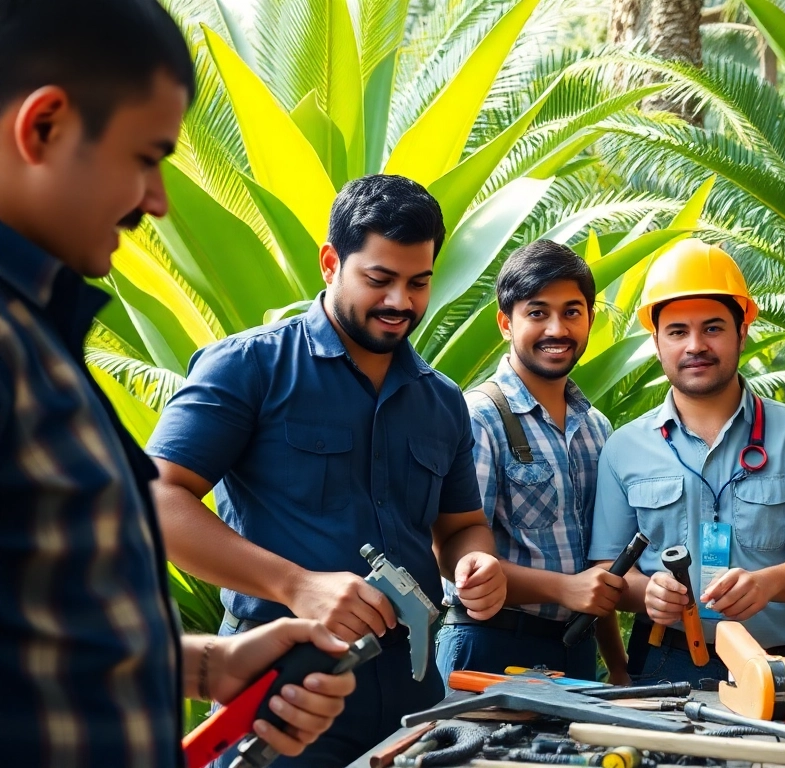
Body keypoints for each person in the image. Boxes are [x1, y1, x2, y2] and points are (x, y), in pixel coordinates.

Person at [0, 1, 355, 765]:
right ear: (44, 128)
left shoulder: (36, 336)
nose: (157, 201)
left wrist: (205, 667)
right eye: (146, 156)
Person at [147, 174, 508, 766]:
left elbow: (461, 525)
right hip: (286, 690)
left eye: (419, 283)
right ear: (329, 262)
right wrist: (297, 586)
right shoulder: (249, 366)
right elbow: (156, 501)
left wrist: (478, 561)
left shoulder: (442, 401)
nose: (401, 302)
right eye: (379, 279)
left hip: (413, 695)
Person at [589, 239, 785, 684]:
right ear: (656, 342)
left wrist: (769, 582)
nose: (696, 345)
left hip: (781, 665)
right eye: (677, 332)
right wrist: (646, 592)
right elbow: (606, 569)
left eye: (713, 328)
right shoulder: (624, 447)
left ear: (741, 332)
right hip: (662, 664)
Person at [436, 240, 628, 683]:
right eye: (537, 313)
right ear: (506, 323)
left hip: (576, 653)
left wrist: (617, 667)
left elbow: (596, 576)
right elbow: (455, 560)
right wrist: (568, 590)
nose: (557, 329)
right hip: (488, 645)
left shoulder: (597, 428)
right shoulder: (479, 418)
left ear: (590, 319)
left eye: (572, 312)